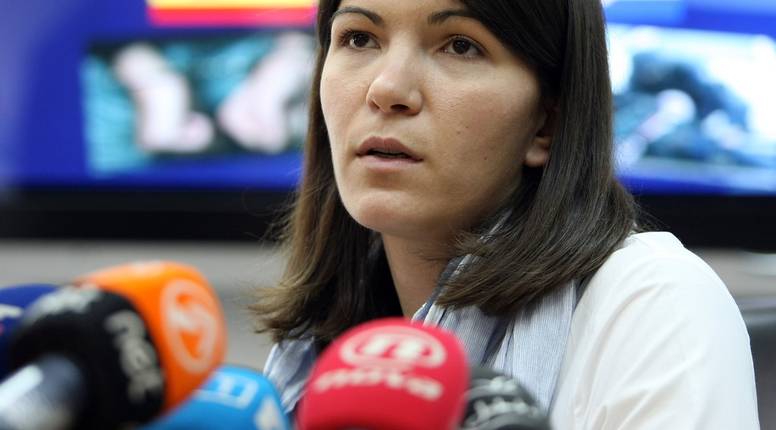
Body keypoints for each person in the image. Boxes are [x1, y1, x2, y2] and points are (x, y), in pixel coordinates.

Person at [253, 0, 759, 428]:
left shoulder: (656, 304)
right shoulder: (309, 354)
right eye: (359, 38)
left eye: (460, 46)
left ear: (546, 122)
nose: (386, 90)